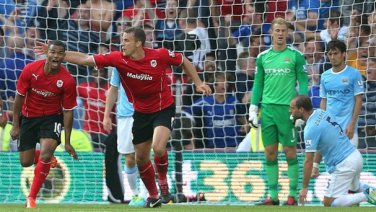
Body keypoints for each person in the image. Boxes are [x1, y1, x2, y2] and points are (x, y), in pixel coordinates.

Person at [35, 27, 211, 208]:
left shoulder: (159, 55)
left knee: (159, 148)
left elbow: (183, 60)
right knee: (141, 158)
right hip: (141, 114)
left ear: (138, 43)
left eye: (126, 40)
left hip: (163, 108)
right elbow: (86, 59)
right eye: (122, 39)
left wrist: (198, 83)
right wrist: (57, 54)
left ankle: (164, 184)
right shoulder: (118, 59)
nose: (122, 43)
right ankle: (153, 195)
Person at [10, 40, 78, 208]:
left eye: (60, 53)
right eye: (53, 52)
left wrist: (67, 141)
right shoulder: (31, 70)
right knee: (25, 162)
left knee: (46, 154)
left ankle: (31, 198)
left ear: (64, 56)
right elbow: (19, 97)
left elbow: (68, 111)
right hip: (29, 117)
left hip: (52, 118)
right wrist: (16, 124)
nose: (56, 56)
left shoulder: (67, 80)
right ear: (47, 53)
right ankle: (44, 158)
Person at [248, 17, 308, 205]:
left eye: (284, 30)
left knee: (290, 152)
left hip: (288, 112)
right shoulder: (262, 58)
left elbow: (304, 82)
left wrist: (302, 109)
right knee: (270, 153)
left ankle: (292, 196)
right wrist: (253, 107)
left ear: (287, 33)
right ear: (271, 33)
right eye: (278, 31)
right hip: (267, 110)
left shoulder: (296, 56)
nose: (281, 34)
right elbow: (258, 84)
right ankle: (273, 197)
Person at [290, 95, 376, 207]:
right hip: (354, 155)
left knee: (329, 203)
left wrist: (305, 188)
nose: (290, 110)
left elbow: (308, 161)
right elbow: (322, 143)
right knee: (355, 187)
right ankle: (370, 193)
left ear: (301, 110)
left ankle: (367, 196)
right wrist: (316, 165)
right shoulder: (321, 112)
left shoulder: (310, 129)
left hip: (344, 164)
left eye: (292, 108)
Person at [103, 68, 145, 206]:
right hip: (125, 116)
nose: (124, 45)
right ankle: (135, 194)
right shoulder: (119, 65)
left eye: (126, 43)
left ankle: (148, 194)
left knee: (145, 156)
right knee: (130, 158)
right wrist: (107, 115)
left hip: (147, 114)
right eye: (123, 43)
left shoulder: (151, 60)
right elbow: (113, 89)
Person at [318, 39, 363, 153]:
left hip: (348, 128)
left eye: (336, 53)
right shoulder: (324, 76)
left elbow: (358, 100)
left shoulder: (354, 74)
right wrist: (322, 122)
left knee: (351, 165)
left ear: (344, 54)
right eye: (330, 54)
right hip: (330, 128)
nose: (332, 57)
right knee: (332, 166)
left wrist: (352, 123)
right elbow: (324, 101)